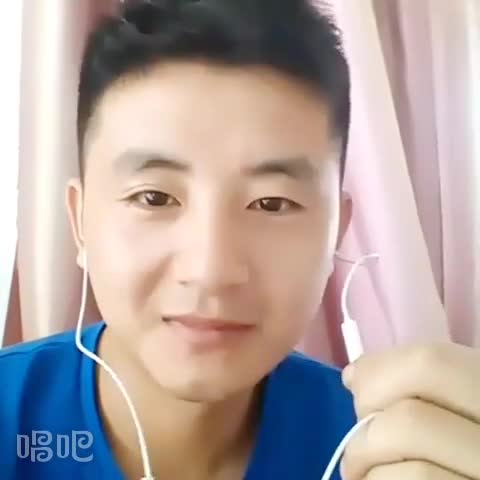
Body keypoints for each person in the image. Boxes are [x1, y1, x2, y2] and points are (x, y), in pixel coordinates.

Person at [1, 1, 479, 479]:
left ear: (336, 231)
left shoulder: (390, 448)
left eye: (272, 204)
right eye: (154, 197)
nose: (210, 271)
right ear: (80, 222)